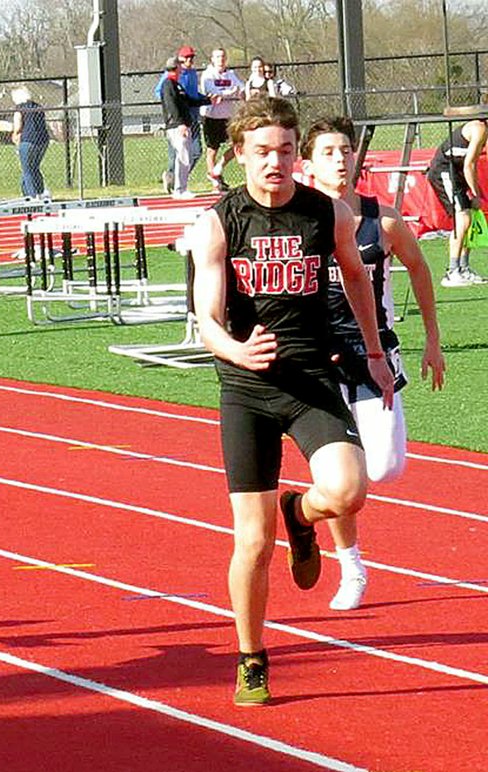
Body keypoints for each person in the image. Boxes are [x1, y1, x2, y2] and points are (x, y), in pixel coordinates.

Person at [190, 97, 394, 706]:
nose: (275, 161)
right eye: (262, 152)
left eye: (284, 149)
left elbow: (357, 278)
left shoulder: (324, 212)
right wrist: (232, 349)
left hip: (310, 379)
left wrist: (377, 355)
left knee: (348, 490)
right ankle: (252, 657)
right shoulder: (219, 223)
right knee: (250, 543)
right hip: (248, 389)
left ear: (296, 152)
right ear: (238, 156)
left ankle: (300, 515)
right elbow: (205, 315)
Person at [300, 116, 446, 610]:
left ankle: (301, 510)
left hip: (375, 352)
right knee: (346, 480)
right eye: (328, 152)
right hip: (320, 358)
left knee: (383, 467)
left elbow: (419, 268)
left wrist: (432, 337)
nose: (340, 159)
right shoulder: (299, 223)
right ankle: (352, 567)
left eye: (345, 150)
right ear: (309, 164)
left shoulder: (381, 220)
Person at [426, 117, 488, 286]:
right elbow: (469, 165)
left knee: (471, 217)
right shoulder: (479, 128)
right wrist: (475, 194)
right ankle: (452, 272)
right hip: (444, 171)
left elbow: (471, 165)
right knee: (463, 218)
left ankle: (464, 267)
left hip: (458, 173)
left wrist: (478, 194)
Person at [154, 45, 208, 193]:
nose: (190, 60)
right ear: (180, 60)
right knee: (178, 154)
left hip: (191, 117)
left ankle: (177, 179)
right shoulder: (169, 78)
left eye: (192, 57)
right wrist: (176, 114)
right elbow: (163, 94)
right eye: (187, 57)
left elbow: (192, 96)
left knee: (195, 152)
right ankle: (175, 181)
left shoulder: (191, 73)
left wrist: (206, 100)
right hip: (177, 121)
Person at [200, 48, 244, 192]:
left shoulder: (230, 74)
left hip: (228, 116)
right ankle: (215, 180)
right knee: (212, 148)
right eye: (218, 57)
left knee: (238, 144)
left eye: (223, 57)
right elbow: (212, 91)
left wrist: (233, 92)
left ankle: (219, 167)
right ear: (212, 59)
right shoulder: (208, 74)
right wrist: (230, 92)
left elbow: (241, 88)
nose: (221, 60)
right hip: (211, 116)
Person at [11, 86, 50, 198]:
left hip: (28, 140)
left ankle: (32, 196)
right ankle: (40, 192)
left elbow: (18, 127)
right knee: (35, 167)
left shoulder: (20, 109)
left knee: (27, 170)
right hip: (43, 140)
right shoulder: (38, 107)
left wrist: (14, 135)